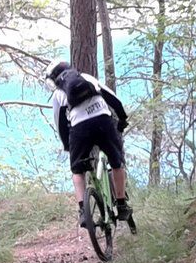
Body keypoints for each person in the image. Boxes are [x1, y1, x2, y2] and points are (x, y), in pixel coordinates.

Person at [43, 59, 133, 227]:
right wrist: (122, 118)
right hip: (103, 122)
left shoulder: (58, 94)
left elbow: (60, 123)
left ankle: (84, 211)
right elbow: (113, 99)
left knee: (77, 170)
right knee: (116, 162)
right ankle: (121, 204)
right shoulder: (87, 78)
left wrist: (67, 145)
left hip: (80, 128)